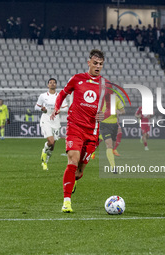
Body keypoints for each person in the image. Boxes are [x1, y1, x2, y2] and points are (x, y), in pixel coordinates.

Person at [51, 49, 108, 213]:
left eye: (101, 64)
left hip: (92, 132)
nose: (98, 67)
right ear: (89, 63)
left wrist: (104, 114)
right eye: (95, 63)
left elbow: (107, 106)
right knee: (73, 161)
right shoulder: (77, 79)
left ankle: (74, 179)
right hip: (75, 127)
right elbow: (62, 93)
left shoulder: (104, 84)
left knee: (79, 171)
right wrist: (56, 108)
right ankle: (67, 201)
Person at [35, 78, 68, 171]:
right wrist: (42, 109)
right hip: (46, 119)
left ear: (56, 85)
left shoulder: (60, 96)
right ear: (48, 85)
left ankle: (45, 161)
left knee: (53, 145)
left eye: (54, 83)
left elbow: (66, 108)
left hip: (56, 121)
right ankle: (44, 151)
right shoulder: (43, 96)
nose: (52, 84)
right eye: (50, 83)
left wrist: (59, 110)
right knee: (51, 141)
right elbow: (36, 107)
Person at [100, 94, 125, 172]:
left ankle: (98, 138)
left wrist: (119, 112)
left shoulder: (116, 98)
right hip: (104, 124)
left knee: (113, 145)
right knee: (109, 145)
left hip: (114, 125)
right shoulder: (100, 99)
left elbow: (123, 111)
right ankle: (113, 167)